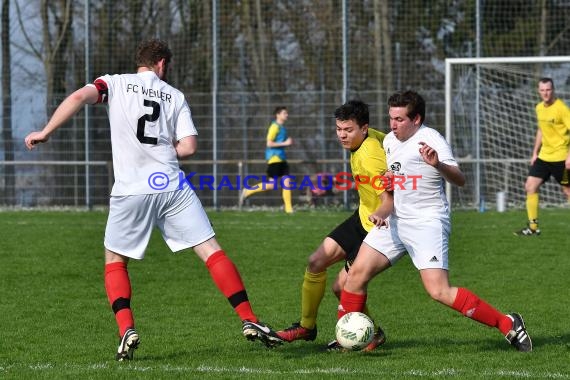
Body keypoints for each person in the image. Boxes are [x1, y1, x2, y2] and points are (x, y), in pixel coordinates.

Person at [24, 39, 283, 361]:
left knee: (115, 261)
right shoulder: (175, 95)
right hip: (171, 183)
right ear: (161, 63)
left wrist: (46, 130)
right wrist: (161, 153)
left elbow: (79, 97)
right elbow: (188, 147)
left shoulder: (114, 83)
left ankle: (126, 329)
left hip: (131, 188)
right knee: (211, 252)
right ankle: (249, 318)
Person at [337, 90, 532, 352]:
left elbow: (460, 180)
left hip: (427, 223)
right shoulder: (390, 142)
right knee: (354, 277)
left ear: (416, 119)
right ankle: (355, 338)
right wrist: (386, 196)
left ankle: (507, 323)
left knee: (438, 291)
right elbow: (395, 183)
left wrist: (438, 164)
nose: (393, 125)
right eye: (391, 118)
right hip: (396, 222)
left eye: (399, 119)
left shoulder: (431, 140)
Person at [276, 100, 393, 351]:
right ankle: (307, 327)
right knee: (316, 261)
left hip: (376, 226)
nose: (342, 134)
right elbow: (392, 144)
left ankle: (366, 334)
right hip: (361, 216)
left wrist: (381, 213)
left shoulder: (370, 154)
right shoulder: (370, 137)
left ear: (364, 128)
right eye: (339, 128)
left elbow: (387, 198)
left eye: (347, 130)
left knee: (342, 287)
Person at [514, 77, 570, 236]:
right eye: (542, 90)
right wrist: (534, 153)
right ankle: (532, 228)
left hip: (561, 159)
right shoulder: (539, 108)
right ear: (539, 91)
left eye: (548, 89)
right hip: (544, 158)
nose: (546, 93)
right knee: (530, 186)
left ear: (553, 90)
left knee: (568, 191)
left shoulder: (562, 109)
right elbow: (541, 130)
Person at [239, 107, 294, 213]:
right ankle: (248, 190)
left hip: (282, 159)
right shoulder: (274, 127)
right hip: (274, 159)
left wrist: (287, 144)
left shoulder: (282, 128)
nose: (286, 115)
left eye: (287, 113)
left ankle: (289, 209)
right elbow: (269, 143)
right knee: (272, 185)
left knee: (287, 182)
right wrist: (285, 143)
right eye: (284, 113)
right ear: (277, 115)